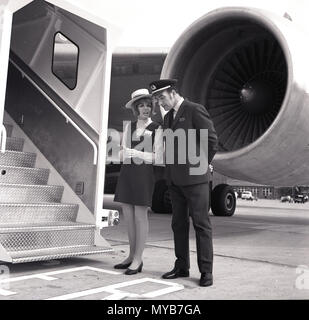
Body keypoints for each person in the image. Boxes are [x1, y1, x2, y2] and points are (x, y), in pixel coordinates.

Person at [149, 79, 218, 287]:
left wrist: (202, 163)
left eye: (161, 97)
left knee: (201, 224)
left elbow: (211, 140)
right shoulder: (169, 117)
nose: (160, 103)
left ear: (173, 93)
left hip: (196, 179)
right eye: (157, 99)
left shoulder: (194, 110)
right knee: (178, 224)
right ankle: (181, 266)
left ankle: (206, 271)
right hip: (175, 180)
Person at [114, 88, 163, 275]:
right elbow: (122, 151)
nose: (145, 109)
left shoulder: (156, 128)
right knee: (129, 217)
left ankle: (138, 259)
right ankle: (131, 255)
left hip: (144, 173)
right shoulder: (129, 127)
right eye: (141, 105)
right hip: (127, 172)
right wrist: (121, 154)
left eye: (148, 105)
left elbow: (159, 158)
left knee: (140, 217)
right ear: (136, 108)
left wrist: (136, 153)